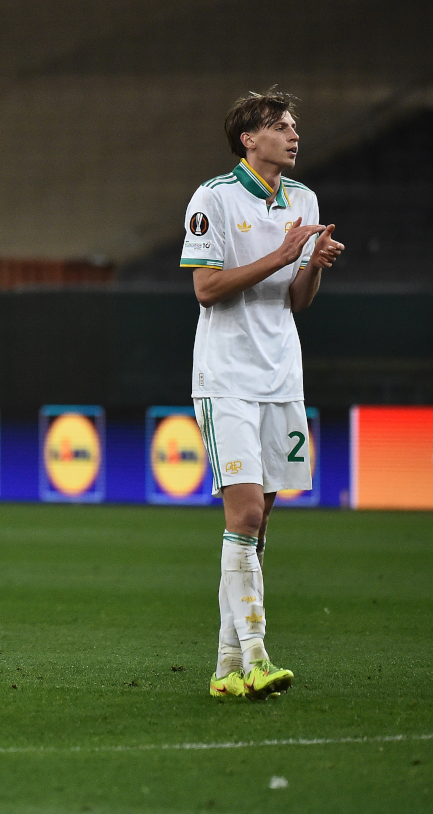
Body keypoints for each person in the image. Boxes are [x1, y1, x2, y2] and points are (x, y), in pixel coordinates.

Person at [180, 89, 343, 700]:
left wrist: (313, 262)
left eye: (294, 125)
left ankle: (225, 669)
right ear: (249, 138)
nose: (294, 134)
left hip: (282, 375)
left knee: (260, 522)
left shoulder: (303, 199)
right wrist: (284, 252)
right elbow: (206, 288)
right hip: (226, 378)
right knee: (245, 513)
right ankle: (256, 656)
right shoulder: (213, 197)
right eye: (280, 125)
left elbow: (296, 300)